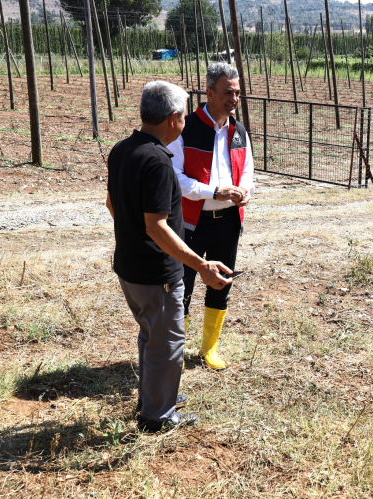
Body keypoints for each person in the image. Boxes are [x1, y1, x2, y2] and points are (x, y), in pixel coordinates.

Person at [106, 81, 232, 432]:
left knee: (151, 337)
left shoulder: (122, 149)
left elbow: (112, 204)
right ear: (174, 118)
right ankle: (157, 418)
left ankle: (156, 399)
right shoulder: (158, 161)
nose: (186, 124)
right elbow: (158, 227)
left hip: (129, 267)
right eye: (184, 117)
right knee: (166, 342)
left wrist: (133, 235)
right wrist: (202, 266)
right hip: (155, 273)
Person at [168, 63, 254, 370]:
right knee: (184, 284)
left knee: (222, 282)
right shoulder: (186, 128)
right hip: (192, 222)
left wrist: (244, 192)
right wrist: (213, 192)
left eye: (237, 93)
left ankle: (209, 349)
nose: (234, 99)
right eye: (228, 92)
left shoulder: (239, 130)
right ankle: (174, 352)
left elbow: (247, 174)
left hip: (229, 221)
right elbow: (174, 177)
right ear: (209, 93)